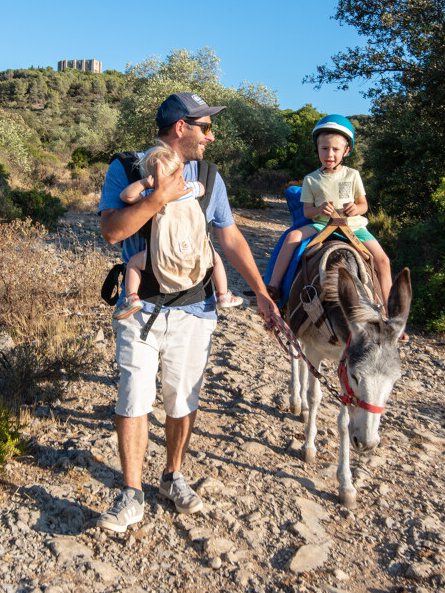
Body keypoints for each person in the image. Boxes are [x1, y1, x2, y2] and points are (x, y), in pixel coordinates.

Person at [97, 92, 281, 532]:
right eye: (204, 127)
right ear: (181, 128)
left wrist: (261, 292)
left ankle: (172, 475)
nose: (210, 136)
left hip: (195, 309)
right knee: (134, 399)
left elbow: (231, 238)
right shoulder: (128, 168)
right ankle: (131, 493)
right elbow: (111, 231)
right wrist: (158, 196)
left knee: (182, 400)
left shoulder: (211, 178)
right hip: (139, 309)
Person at [266, 115, 392, 304]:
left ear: (346, 150)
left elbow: (363, 205)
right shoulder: (311, 179)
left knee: (383, 261)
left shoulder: (353, 175)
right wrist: (319, 209)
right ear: (317, 149)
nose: (329, 154)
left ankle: (390, 311)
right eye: (324, 148)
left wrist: (355, 208)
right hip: (322, 226)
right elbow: (308, 212)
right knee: (292, 237)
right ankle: (273, 287)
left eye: (335, 149)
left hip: (353, 227)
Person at [114, 141, 244, 320]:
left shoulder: (151, 195)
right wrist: (184, 181)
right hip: (194, 251)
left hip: (161, 255)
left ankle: (131, 297)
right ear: (178, 172)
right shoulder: (189, 190)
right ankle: (222, 294)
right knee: (215, 259)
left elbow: (126, 196)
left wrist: (146, 183)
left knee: (133, 264)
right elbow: (203, 189)